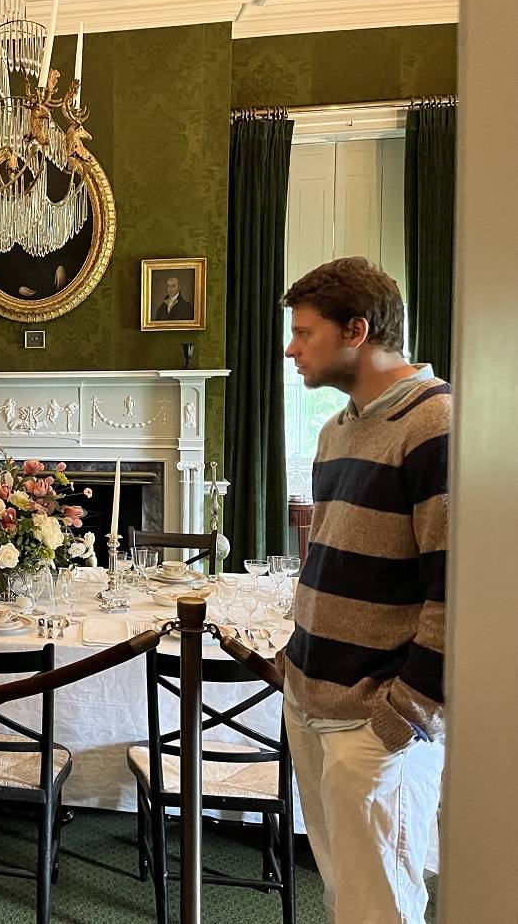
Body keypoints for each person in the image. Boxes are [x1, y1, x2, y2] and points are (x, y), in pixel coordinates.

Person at [279, 256, 448, 924]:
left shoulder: (434, 425)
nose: (291, 348)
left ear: (355, 330)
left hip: (375, 723)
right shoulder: (335, 430)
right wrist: (293, 663)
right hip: (311, 699)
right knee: (343, 899)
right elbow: (330, 561)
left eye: (304, 332)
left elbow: (456, 594)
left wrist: (400, 715)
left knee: (379, 909)